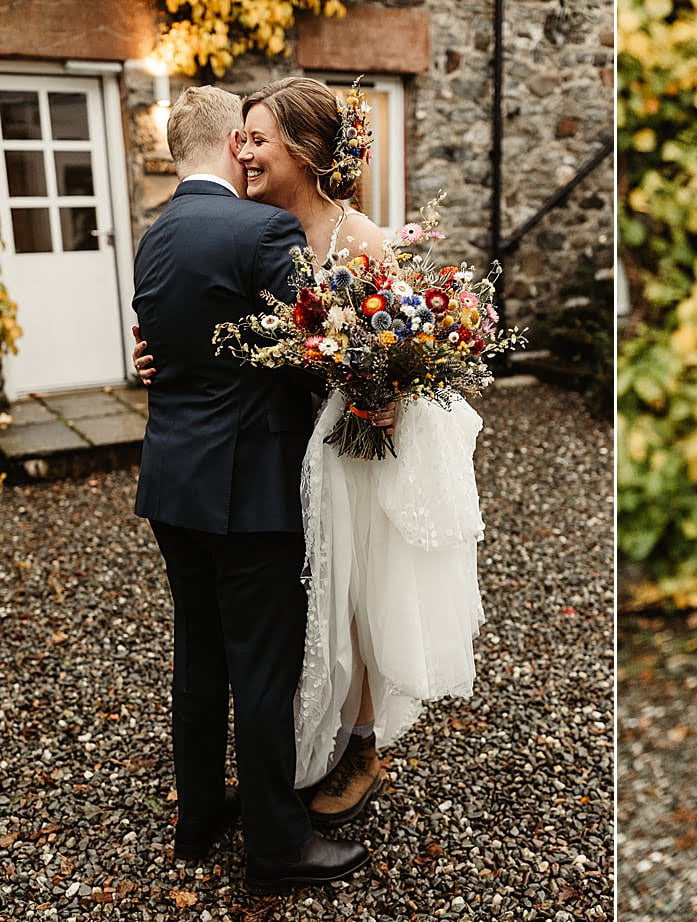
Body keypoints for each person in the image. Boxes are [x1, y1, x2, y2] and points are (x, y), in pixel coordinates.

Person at [136, 76, 488, 833]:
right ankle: (305, 748)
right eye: (243, 138)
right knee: (311, 601)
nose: (245, 151)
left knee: (357, 593)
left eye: (259, 139)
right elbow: (206, 312)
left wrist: (389, 387)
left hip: (350, 438)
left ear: (303, 151)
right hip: (277, 454)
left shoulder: (354, 237)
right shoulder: (252, 224)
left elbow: (402, 338)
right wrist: (156, 353)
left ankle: (360, 745)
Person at [130, 84, 368, 894]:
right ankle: (276, 844)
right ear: (236, 142)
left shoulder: (152, 240)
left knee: (198, 656)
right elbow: (327, 345)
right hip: (249, 489)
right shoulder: (262, 228)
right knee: (261, 667)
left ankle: (199, 816)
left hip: (172, 483)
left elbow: (178, 349)